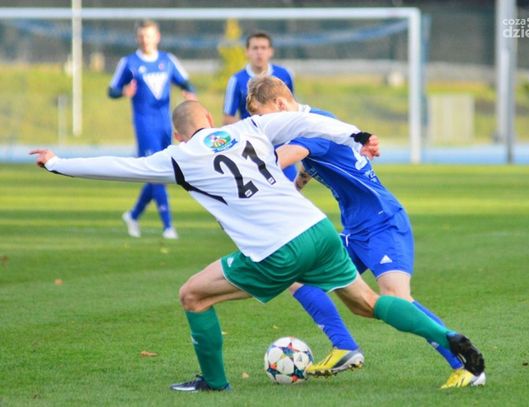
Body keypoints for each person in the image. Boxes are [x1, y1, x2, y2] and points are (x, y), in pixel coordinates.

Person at [30, 100, 484, 393]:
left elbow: (119, 167)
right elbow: (307, 119)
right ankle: (447, 337)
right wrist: (356, 134)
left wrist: (57, 164)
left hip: (274, 251)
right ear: (211, 121)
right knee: (368, 304)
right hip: (319, 231)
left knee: (193, 295)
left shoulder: (179, 157)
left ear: (179, 135)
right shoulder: (251, 127)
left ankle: (214, 382)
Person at [246, 76, 486, 389]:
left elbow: (282, 158)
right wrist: (297, 186)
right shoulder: (314, 120)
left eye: (261, 117)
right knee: (299, 277)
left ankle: (467, 366)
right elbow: (312, 160)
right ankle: (344, 347)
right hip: (356, 229)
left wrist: (243, 171)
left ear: (279, 104)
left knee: (397, 299)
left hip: (383, 223)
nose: (261, 125)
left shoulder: (309, 128)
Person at [108, 19, 197, 239]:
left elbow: (186, 82)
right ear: (137, 38)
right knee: (157, 172)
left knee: (163, 171)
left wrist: (189, 93)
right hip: (144, 125)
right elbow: (112, 90)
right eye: (141, 36)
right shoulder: (129, 63)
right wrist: (123, 92)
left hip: (165, 125)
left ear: (157, 37)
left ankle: (133, 215)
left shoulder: (168, 60)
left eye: (148, 35)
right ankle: (168, 226)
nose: (145, 40)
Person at [223, 31, 297, 181]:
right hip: (253, 147)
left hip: (281, 144)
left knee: (291, 187)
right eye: (255, 48)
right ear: (247, 51)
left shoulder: (284, 75)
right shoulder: (237, 80)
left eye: (263, 48)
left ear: (270, 51)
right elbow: (228, 118)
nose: (259, 52)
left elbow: (292, 108)